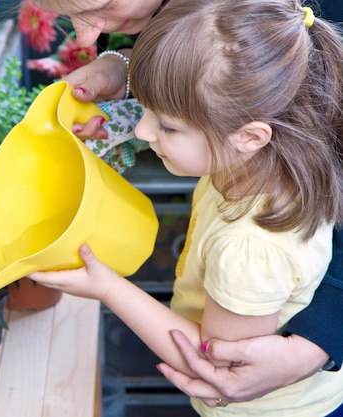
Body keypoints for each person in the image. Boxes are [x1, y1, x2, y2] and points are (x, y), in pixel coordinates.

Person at [28, 0, 343, 415]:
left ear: (250, 136)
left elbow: (216, 362)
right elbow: (202, 121)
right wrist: (125, 118)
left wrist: (108, 288)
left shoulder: (250, 248)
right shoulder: (251, 162)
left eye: (166, 126)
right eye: (146, 112)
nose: (144, 130)